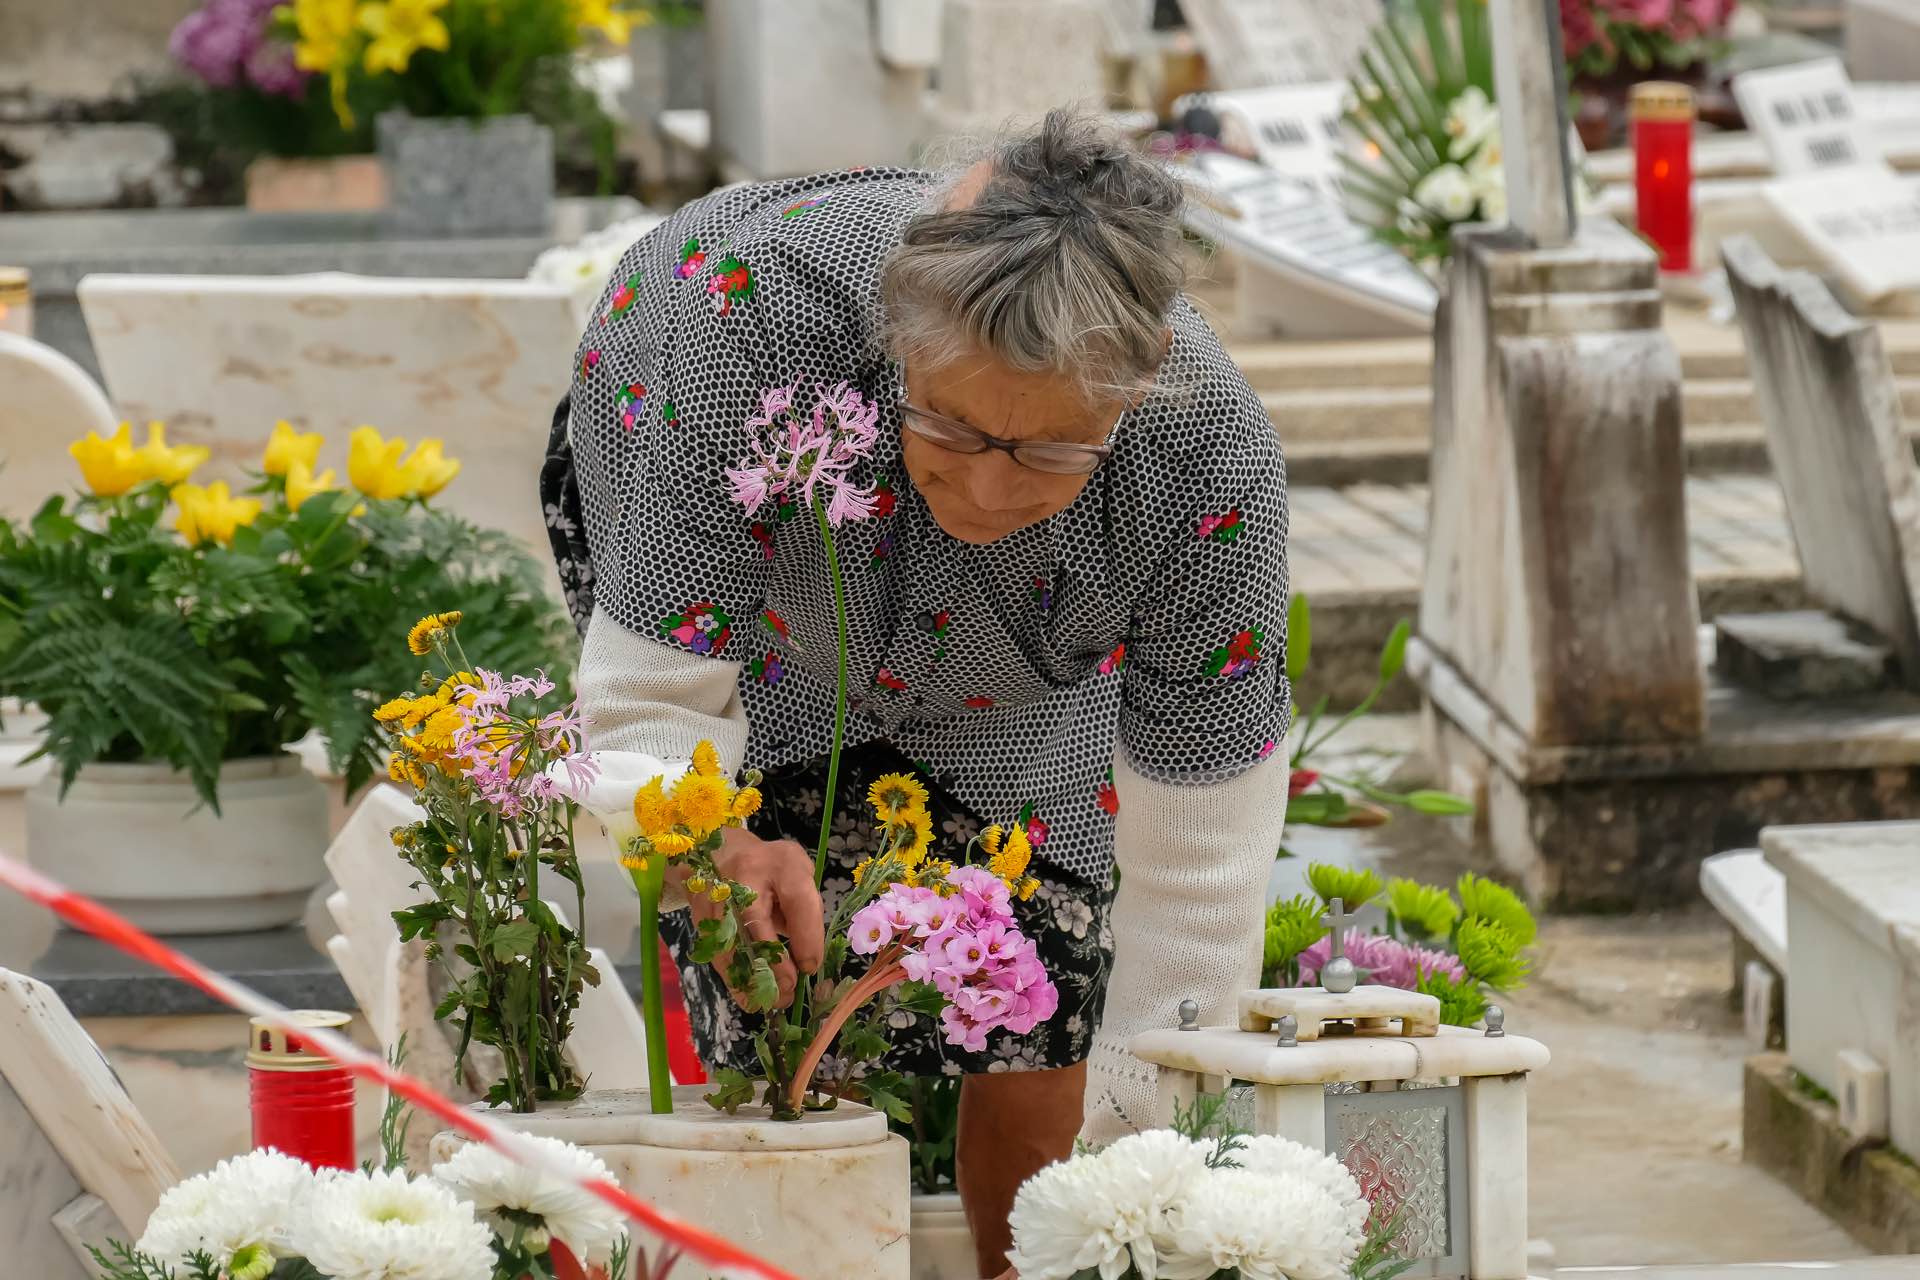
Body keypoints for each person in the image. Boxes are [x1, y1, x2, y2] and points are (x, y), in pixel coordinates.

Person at [542, 109, 1289, 1277]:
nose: (989, 488)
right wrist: (702, 831)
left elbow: (1199, 873)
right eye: (952, 423)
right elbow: (648, 705)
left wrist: (1147, 1157)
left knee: (1047, 990)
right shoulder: (752, 313)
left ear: (1136, 389)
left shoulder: (1203, 466)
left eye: (1045, 451)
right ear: (900, 340)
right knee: (780, 986)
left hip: (1018, 655)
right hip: (772, 597)